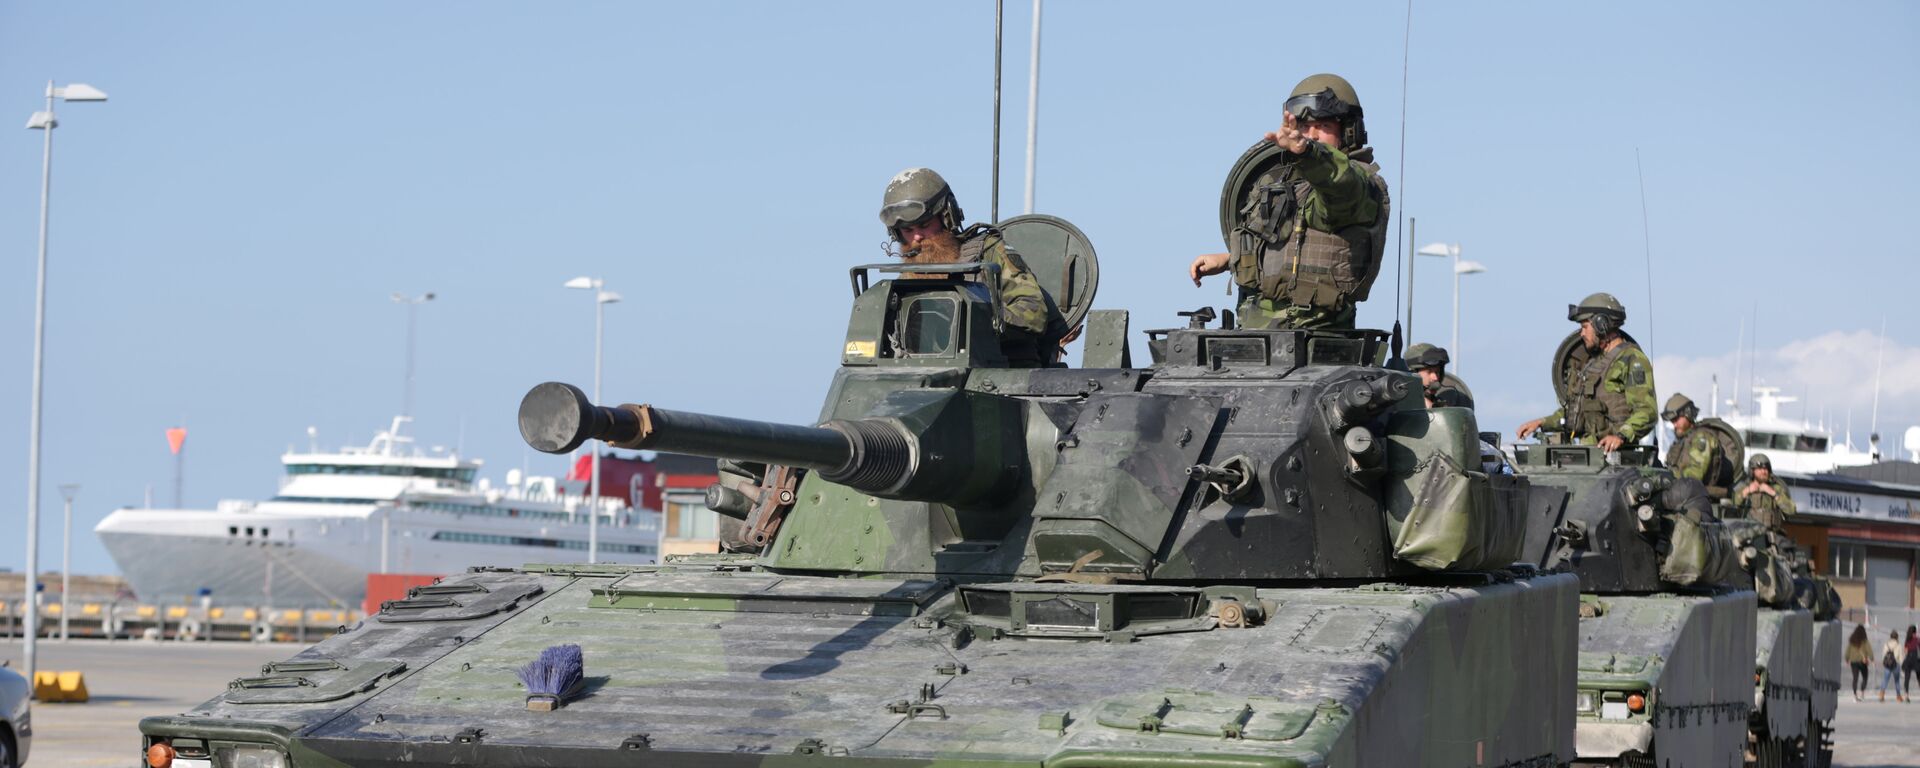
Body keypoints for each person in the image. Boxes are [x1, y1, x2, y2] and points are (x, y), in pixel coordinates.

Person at [1189, 73, 1390, 330]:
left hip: (1319, 339)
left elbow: (1337, 191)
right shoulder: (1282, 182)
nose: (1312, 135)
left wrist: (1309, 153)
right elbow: (1287, 246)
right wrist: (1229, 260)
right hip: (1253, 336)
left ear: (1349, 131)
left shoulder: (1360, 186)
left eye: (1324, 127)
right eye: (1305, 127)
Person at [880, 167, 1062, 366]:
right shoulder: (906, 280)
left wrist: (978, 319)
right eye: (907, 230)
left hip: (998, 375)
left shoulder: (989, 255)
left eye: (924, 225)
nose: (916, 237)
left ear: (946, 216)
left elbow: (1034, 314)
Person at [1516, 293, 1657, 452]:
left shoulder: (1632, 359)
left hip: (1619, 458)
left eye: (1584, 327)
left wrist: (1621, 436)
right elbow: (1577, 411)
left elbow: (1647, 412)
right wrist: (1542, 422)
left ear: (1601, 324)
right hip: (1589, 456)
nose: (1581, 333)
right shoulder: (1593, 364)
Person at [1662, 393, 1737, 499]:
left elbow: (1693, 477)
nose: (1674, 424)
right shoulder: (1683, 440)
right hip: (1682, 496)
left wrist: (1666, 477)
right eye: (1672, 421)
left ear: (1687, 414)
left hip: (1696, 501)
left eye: (1676, 419)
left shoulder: (1702, 438)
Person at [1733, 454, 1796, 532]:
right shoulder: (1743, 488)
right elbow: (1731, 508)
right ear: (1752, 471)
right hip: (1748, 533)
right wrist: (1746, 492)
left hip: (1772, 533)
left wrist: (1773, 493)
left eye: (1766, 469)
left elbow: (1791, 510)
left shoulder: (1777, 488)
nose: (1763, 471)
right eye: (1759, 469)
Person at [1406, 343, 1473, 409]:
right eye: (1429, 372)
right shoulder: (1400, 405)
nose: (1435, 378)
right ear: (1413, 373)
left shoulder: (1441, 404)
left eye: (1437, 372)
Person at [1848, 624, 1873, 701]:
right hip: (1862, 661)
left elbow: (1848, 650)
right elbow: (1869, 650)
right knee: (1865, 677)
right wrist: (1871, 658)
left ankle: (1855, 694)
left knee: (1855, 678)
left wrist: (1847, 658)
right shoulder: (1865, 641)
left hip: (1853, 661)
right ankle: (1862, 692)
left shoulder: (1852, 640)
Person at [1881, 629, 1906, 702]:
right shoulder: (1898, 645)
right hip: (1896, 665)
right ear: (1897, 637)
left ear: (1890, 636)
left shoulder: (1886, 644)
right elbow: (1901, 657)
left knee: (1885, 680)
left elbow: (1883, 654)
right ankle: (1898, 697)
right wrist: (1902, 666)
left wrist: (1884, 662)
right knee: (1897, 681)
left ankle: (1881, 695)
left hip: (1887, 665)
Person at [1905, 625, 1920, 698]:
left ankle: (1906, 695)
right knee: (1919, 677)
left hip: (1908, 659)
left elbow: (1905, 651)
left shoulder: (1907, 640)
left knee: (1907, 678)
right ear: (1915, 631)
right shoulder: (1917, 639)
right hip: (1916, 660)